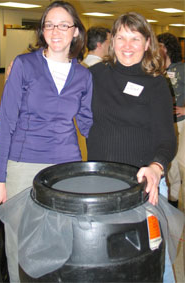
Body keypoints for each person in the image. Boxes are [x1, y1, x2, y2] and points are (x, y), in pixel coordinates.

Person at [0, 1, 93, 281]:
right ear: (42, 31)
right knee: (19, 242)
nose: (55, 30)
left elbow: (87, 124)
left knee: (61, 240)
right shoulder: (24, 65)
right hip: (23, 164)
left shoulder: (84, 75)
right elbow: (7, 123)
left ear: (76, 32)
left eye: (63, 25)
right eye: (49, 24)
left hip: (65, 167)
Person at [86, 12, 177, 282]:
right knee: (107, 259)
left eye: (135, 38)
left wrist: (157, 166)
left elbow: (167, 138)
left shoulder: (156, 83)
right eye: (121, 37)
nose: (127, 45)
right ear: (112, 41)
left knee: (154, 260)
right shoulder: (94, 75)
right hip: (102, 186)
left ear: (147, 43)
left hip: (143, 186)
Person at [157, 32, 185, 208]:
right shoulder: (155, 70)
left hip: (182, 121)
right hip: (165, 122)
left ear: (167, 48)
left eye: (160, 45)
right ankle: (172, 201)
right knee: (170, 164)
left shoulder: (181, 69)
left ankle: (177, 201)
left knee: (180, 162)